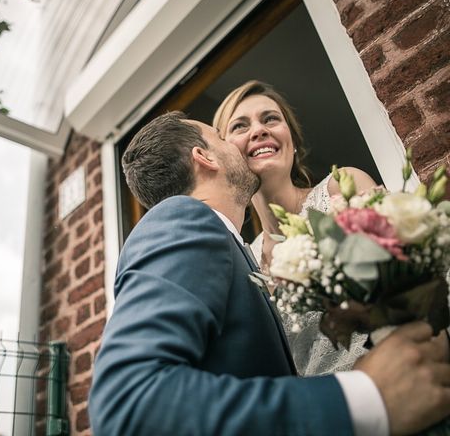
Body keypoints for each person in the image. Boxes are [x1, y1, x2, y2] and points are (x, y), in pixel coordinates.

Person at [88, 111, 450, 436]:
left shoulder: (230, 248)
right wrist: (369, 395)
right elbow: (129, 402)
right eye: (220, 134)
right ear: (204, 156)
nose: (234, 142)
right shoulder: (183, 219)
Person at [213, 80, 382, 375]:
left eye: (271, 119)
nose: (259, 130)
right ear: (224, 154)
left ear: (291, 140)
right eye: (240, 126)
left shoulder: (341, 189)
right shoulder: (245, 261)